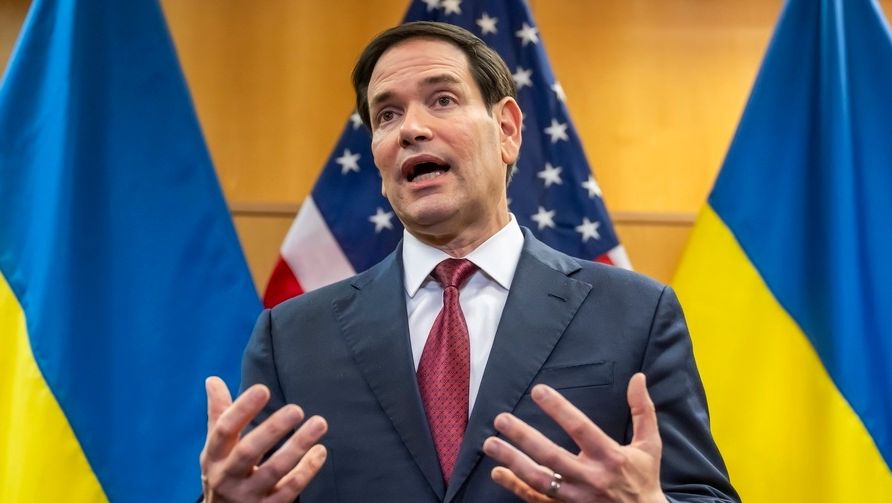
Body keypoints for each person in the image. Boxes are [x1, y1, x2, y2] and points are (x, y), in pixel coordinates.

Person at [199, 21, 739, 503]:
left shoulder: (635, 313)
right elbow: (254, 486)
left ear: (507, 131)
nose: (411, 128)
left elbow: (703, 495)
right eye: (387, 114)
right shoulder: (291, 336)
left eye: (442, 100)